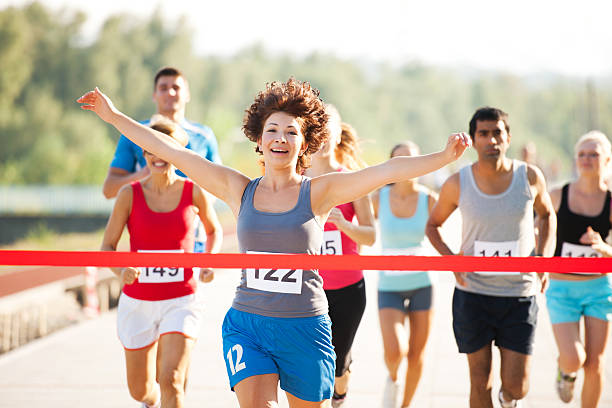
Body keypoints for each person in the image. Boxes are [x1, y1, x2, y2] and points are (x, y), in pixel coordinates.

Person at [78, 78, 470, 407]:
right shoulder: (237, 189)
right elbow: (171, 149)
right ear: (259, 139)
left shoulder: (320, 191)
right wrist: (111, 116)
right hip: (249, 325)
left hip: (305, 327)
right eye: (272, 130)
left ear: (305, 143)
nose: (280, 139)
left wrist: (443, 156)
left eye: (291, 132)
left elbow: (387, 171)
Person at [425, 107, 556, 408]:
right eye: (483, 134)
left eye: (497, 132)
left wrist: (544, 260)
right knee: (479, 379)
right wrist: (451, 260)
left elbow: (547, 215)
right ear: (473, 140)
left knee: (517, 386)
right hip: (474, 294)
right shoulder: (457, 183)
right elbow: (432, 226)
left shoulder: (530, 177)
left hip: (518, 293)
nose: (491, 140)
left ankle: (508, 400)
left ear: (508, 138)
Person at [100, 117, 223, 408]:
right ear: (143, 153)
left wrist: (208, 260)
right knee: (140, 390)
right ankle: (152, 401)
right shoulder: (129, 194)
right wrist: (121, 269)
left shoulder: (192, 190)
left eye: (166, 149)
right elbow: (107, 246)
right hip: (137, 301)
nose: (158, 156)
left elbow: (214, 230)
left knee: (171, 380)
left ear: (178, 152)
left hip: (181, 298)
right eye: (151, 149)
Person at [103, 66, 222, 252]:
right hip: (149, 243)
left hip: (193, 242)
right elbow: (109, 189)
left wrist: (192, 203)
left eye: (176, 87)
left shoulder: (204, 136)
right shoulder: (133, 134)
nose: (170, 92)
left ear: (187, 94)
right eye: (163, 88)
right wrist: (144, 174)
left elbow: (219, 186)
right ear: (154, 95)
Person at [303, 105, 376, 407]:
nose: (320, 137)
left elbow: (371, 236)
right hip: (306, 288)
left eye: (326, 129)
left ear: (336, 135)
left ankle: (340, 390)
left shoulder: (354, 181)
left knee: (338, 361)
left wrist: (345, 225)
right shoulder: (297, 180)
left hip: (347, 289)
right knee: (311, 359)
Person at [546, 130, 612, 408]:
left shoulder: (610, 202)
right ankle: (565, 371)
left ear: (606, 160)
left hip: (598, 288)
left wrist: (602, 247)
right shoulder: (557, 196)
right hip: (562, 288)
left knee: (595, 364)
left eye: (594, 154)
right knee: (575, 358)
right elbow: (536, 232)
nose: (587, 159)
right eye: (582, 154)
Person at [373, 141, 438, 408]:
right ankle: (392, 377)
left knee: (416, 354)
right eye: (398, 162)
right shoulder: (378, 199)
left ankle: (405, 405)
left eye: (411, 160)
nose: (406, 167)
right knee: (394, 351)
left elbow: (443, 233)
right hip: (389, 285)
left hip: (423, 283)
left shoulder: (429, 199)